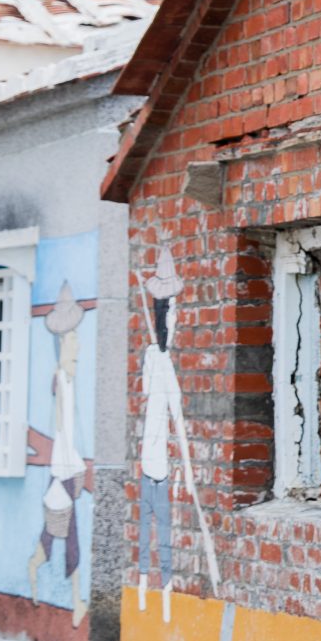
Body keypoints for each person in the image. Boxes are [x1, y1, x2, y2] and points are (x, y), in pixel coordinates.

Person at [137, 249, 196, 621]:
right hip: (150, 463)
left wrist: (188, 472)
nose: (173, 319)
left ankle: (164, 595)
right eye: (170, 312)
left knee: (163, 537)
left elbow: (178, 420)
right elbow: (150, 396)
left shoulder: (165, 365)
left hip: (160, 466)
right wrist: (157, 360)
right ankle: (147, 592)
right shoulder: (155, 359)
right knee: (149, 536)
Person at [28, 285, 90, 625]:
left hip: (68, 474)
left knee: (57, 541)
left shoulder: (68, 380)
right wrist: (74, 467)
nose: (78, 345)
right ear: (62, 343)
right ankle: (72, 598)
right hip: (62, 477)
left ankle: (42, 575)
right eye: (73, 340)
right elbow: (62, 435)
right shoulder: (60, 382)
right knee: (64, 542)